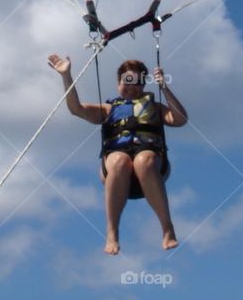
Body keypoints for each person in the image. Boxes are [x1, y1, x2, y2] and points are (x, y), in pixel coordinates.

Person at [48, 54, 188, 255]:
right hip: (116, 167)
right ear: (118, 84)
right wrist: (66, 75)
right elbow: (76, 109)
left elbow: (180, 119)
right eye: (126, 81)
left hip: (152, 165)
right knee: (119, 160)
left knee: (143, 160)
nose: (131, 87)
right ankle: (112, 232)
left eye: (137, 82)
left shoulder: (155, 108)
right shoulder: (108, 109)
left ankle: (167, 228)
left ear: (143, 85)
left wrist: (164, 87)